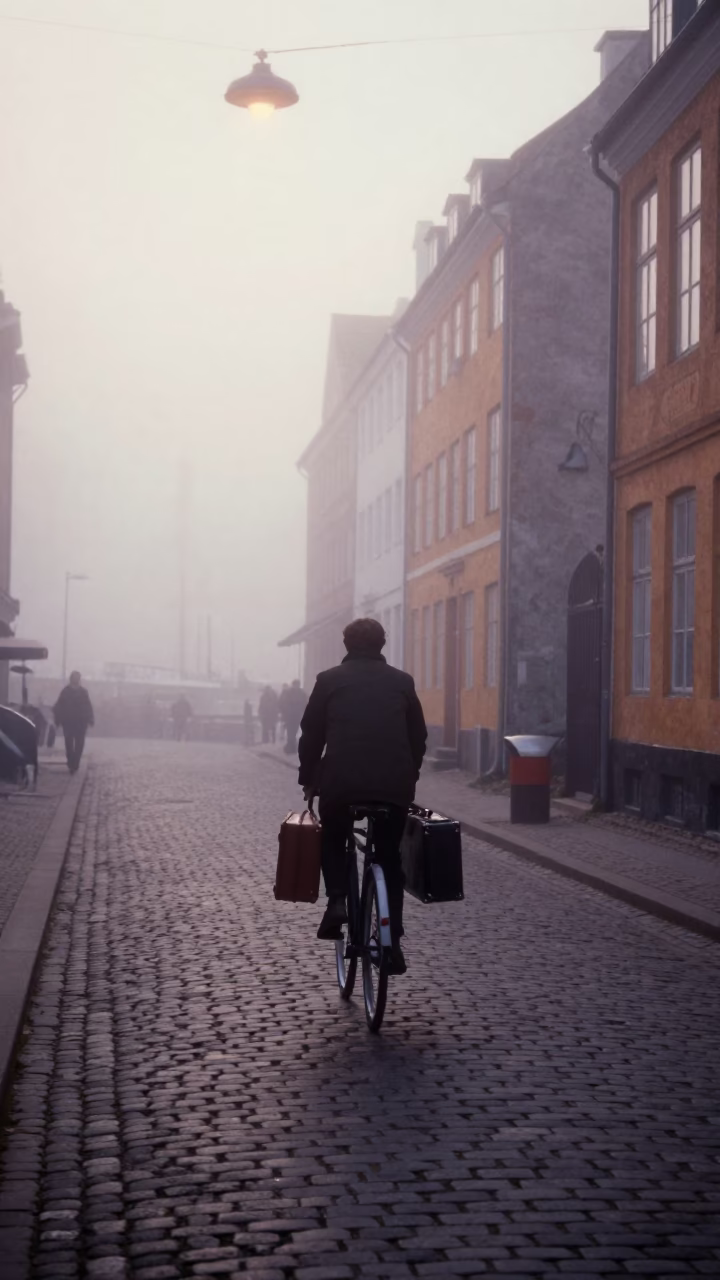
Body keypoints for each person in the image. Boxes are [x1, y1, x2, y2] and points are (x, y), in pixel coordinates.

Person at [297, 617, 427, 975]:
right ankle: (393, 943)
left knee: (333, 835)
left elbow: (311, 737)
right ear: (383, 645)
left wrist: (309, 780)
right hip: (394, 787)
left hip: (341, 783)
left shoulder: (328, 681)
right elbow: (419, 738)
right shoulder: (403, 682)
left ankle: (337, 899)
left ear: (346, 645)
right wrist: (407, 776)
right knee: (388, 859)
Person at [53, 671, 95, 774]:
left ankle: (75, 762)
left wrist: (90, 718)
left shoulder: (83, 692)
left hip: (81, 722)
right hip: (68, 722)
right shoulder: (65, 691)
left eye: (77, 678)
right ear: (71, 679)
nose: (76, 679)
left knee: (79, 743)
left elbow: (88, 706)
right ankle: (71, 761)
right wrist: (57, 720)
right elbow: (59, 706)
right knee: (69, 743)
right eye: (74, 677)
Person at [283, 678, 308, 755]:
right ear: (293, 685)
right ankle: (290, 747)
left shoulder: (302, 693)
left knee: (294, 731)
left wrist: (303, 711)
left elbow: (305, 703)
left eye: (298, 684)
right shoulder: (288, 693)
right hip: (289, 715)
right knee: (290, 731)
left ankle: (291, 747)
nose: (296, 686)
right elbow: (284, 703)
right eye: (295, 684)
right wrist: (286, 712)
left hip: (297, 715)